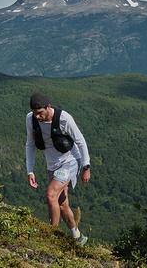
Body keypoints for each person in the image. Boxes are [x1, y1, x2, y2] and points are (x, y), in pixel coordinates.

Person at [25, 92, 91, 245]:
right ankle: (77, 236)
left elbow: (81, 142)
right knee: (62, 203)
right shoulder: (31, 119)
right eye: (35, 113)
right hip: (52, 165)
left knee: (50, 194)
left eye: (40, 113)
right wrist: (30, 170)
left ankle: (51, 236)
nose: (37, 117)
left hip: (70, 160)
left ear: (48, 107)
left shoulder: (64, 118)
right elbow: (30, 144)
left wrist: (86, 166)